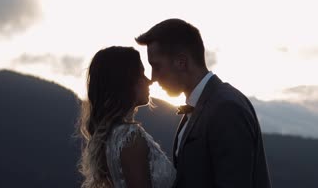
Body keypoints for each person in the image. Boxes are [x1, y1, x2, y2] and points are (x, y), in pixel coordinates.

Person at [135, 18, 271, 188]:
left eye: (157, 66)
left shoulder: (226, 109)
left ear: (181, 62)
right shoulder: (204, 105)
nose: (153, 77)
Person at [77, 46, 176, 188]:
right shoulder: (131, 138)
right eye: (142, 74)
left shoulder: (113, 136)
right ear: (126, 82)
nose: (149, 81)